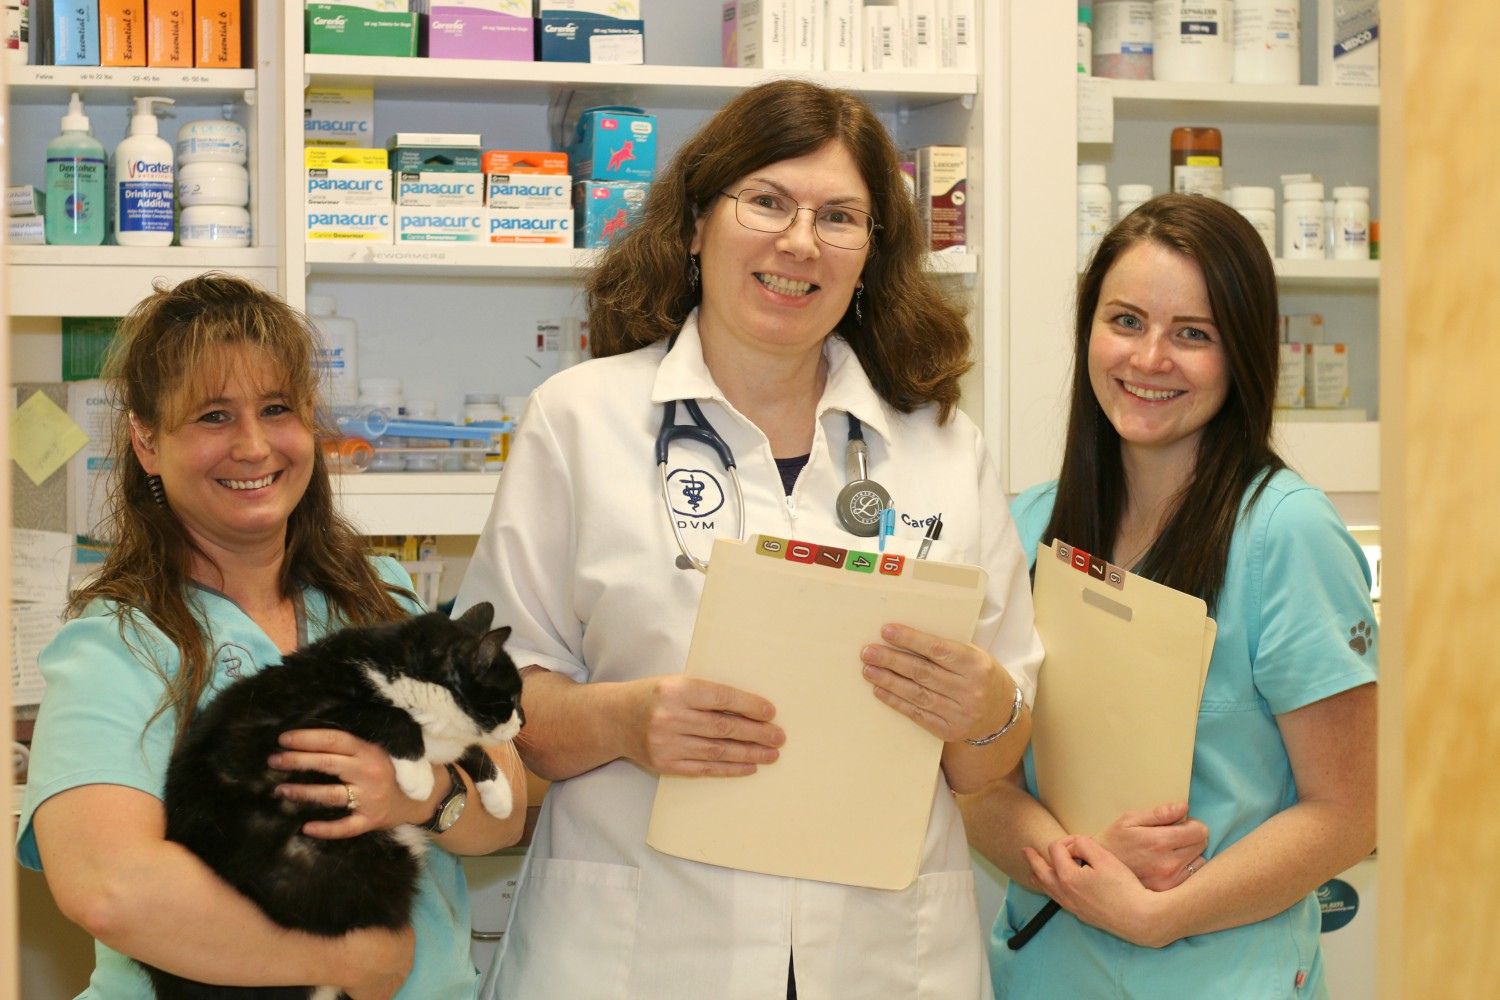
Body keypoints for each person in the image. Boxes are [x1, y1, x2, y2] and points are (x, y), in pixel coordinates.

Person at [454, 79, 1043, 999]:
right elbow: (497, 708)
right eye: (766, 201)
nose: (800, 242)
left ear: (869, 257)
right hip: (641, 950)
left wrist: (986, 706)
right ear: (695, 224)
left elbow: (987, 758)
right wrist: (622, 720)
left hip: (884, 957)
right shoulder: (578, 421)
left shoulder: (940, 447)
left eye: (840, 217)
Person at [15, 273, 526, 999]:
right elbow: (111, 887)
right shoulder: (116, 644)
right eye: (214, 417)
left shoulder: (379, 597)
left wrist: (416, 796)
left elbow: (503, 805)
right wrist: (339, 961)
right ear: (147, 442)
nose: (254, 447)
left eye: (277, 409)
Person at [961, 194, 1378, 998]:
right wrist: (1082, 866)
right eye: (1125, 321)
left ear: (1243, 354)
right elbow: (981, 783)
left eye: (1193, 334)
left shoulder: (1284, 535)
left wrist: (1160, 915)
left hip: (1224, 974)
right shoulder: (1029, 525)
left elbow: (1345, 813)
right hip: (1047, 969)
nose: (1149, 358)